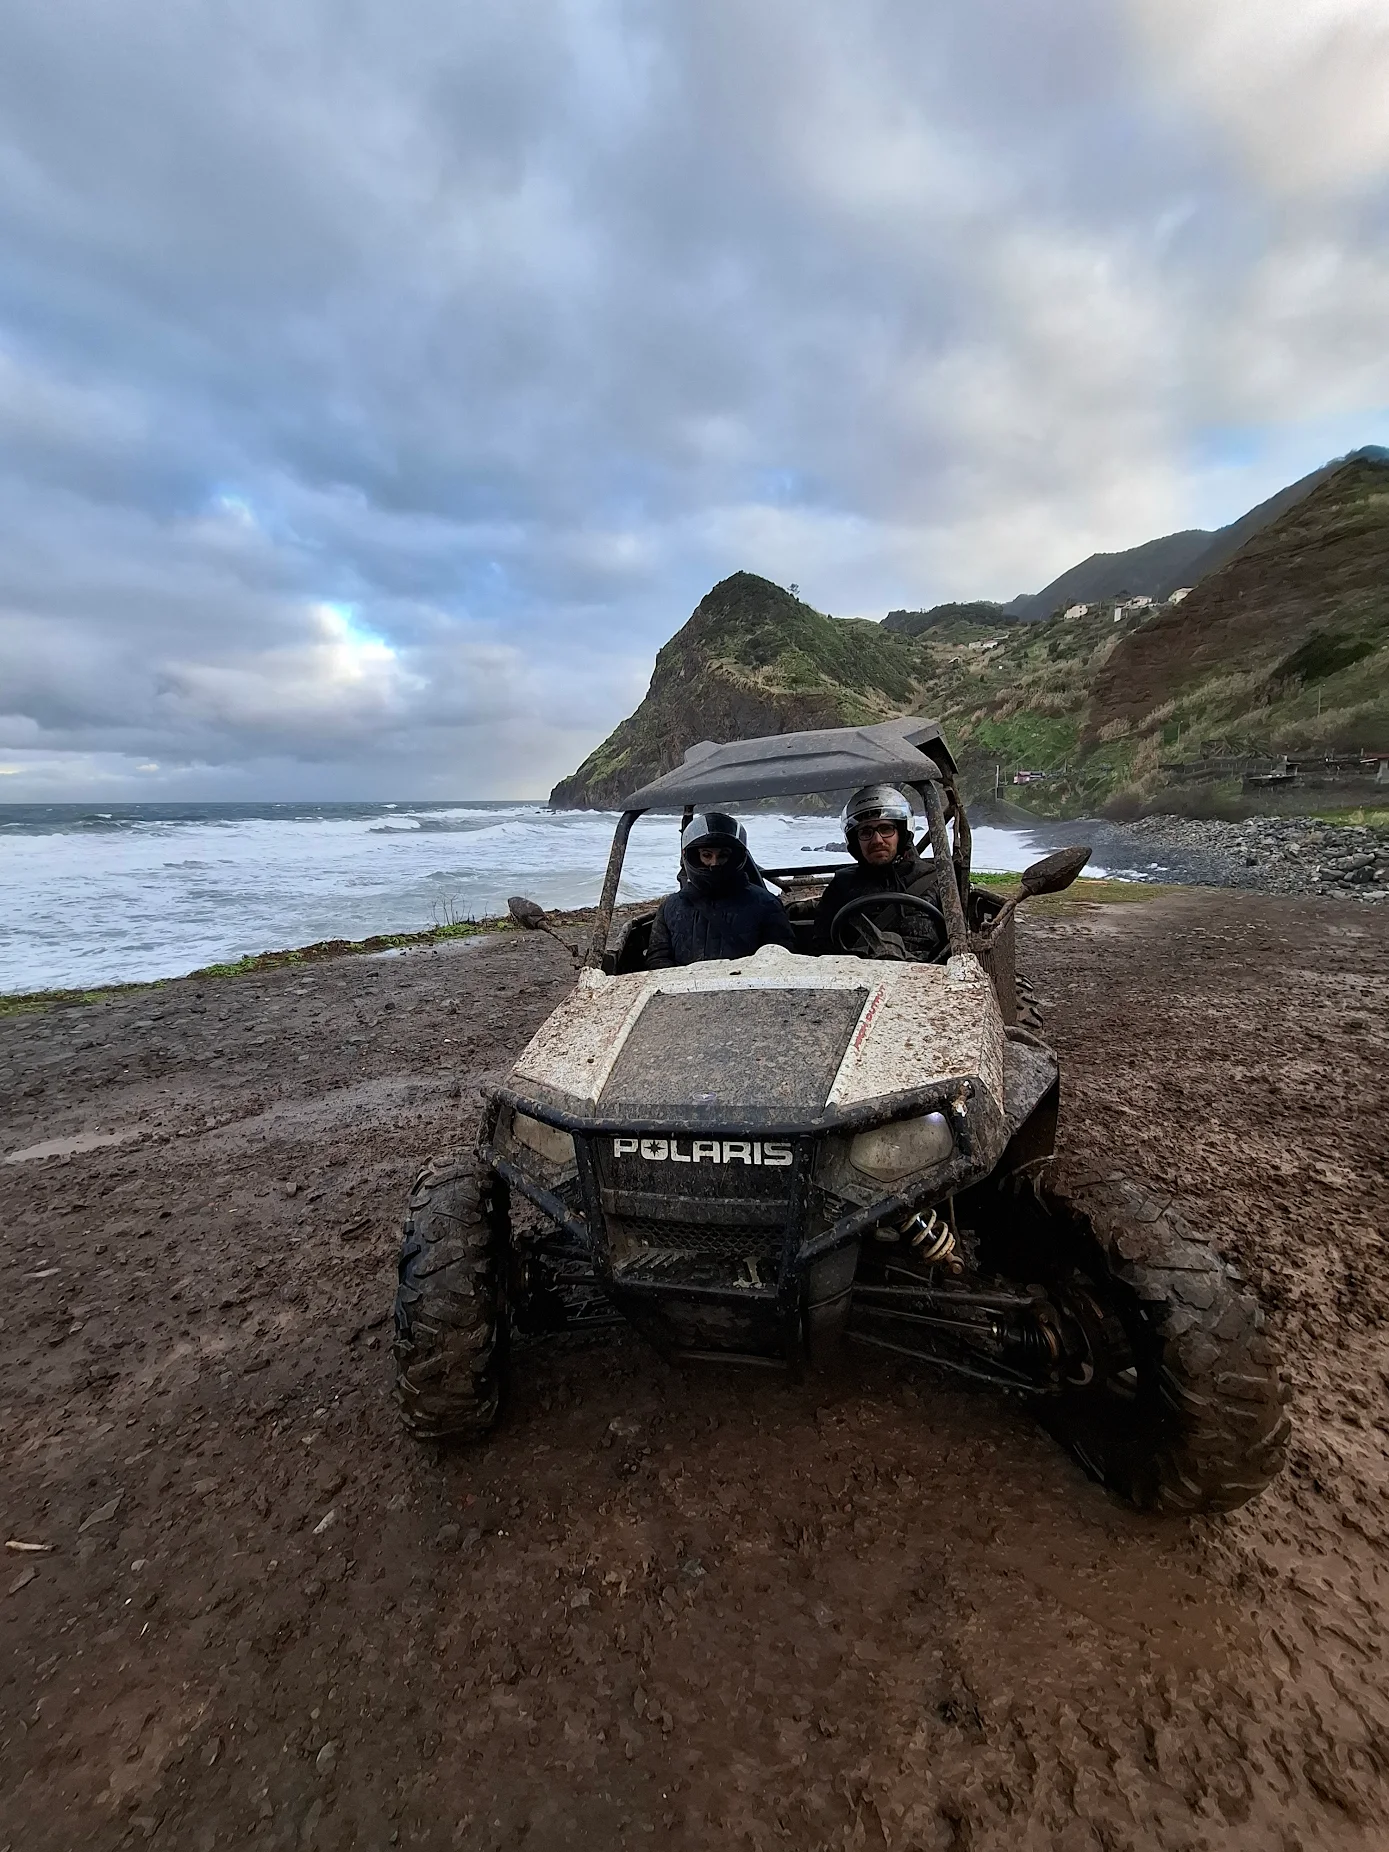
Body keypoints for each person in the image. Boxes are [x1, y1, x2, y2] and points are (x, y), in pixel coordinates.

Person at [811, 784, 947, 960]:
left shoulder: (935, 881)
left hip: (927, 979)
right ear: (855, 841)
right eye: (866, 832)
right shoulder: (842, 885)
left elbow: (955, 945)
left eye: (885, 829)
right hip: (858, 978)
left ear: (901, 833)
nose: (877, 840)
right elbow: (820, 946)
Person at [646, 812, 797, 967]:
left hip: (747, 987)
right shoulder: (671, 906)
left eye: (723, 855)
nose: (714, 863)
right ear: (693, 857)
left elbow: (780, 958)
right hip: (684, 988)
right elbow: (658, 958)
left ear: (734, 857)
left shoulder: (767, 904)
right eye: (706, 855)